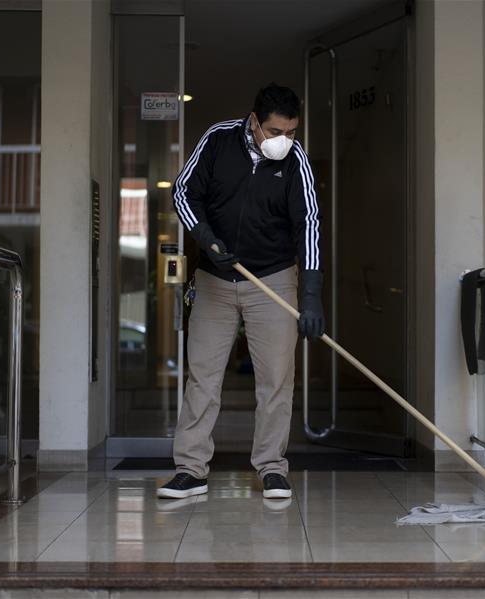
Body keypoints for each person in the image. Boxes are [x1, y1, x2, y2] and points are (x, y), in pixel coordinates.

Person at [158, 83, 324, 500]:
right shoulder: (218, 139)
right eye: (275, 131)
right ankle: (190, 469)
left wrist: (310, 294)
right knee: (202, 377)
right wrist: (205, 237)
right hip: (215, 278)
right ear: (254, 122)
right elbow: (183, 192)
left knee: (276, 380)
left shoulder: (296, 161)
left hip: (272, 279)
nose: (283, 140)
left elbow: (308, 224)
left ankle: (271, 468)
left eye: (291, 132)